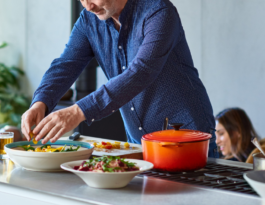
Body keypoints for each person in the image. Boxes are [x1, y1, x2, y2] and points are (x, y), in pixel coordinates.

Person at [21, 0, 218, 157]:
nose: (88, 5)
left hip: (187, 136)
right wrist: (40, 102)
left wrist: (79, 111)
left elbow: (140, 72)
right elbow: (65, 64)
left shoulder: (159, 12)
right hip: (138, 141)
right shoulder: (88, 20)